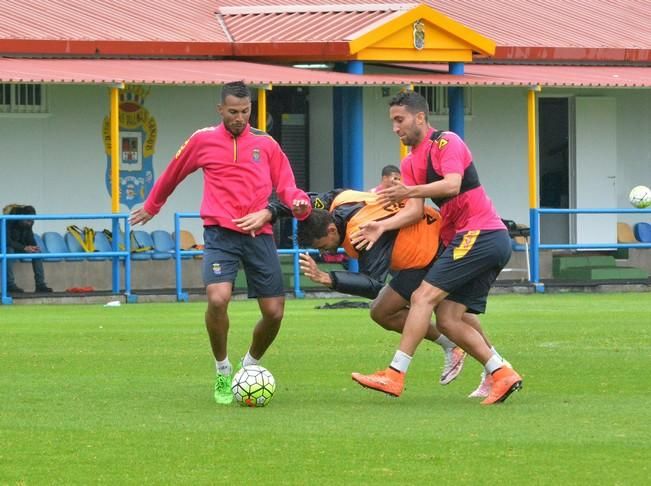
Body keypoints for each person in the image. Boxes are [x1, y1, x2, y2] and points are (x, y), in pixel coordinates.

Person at [130, 80, 311, 405]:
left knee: (274, 312)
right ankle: (223, 369)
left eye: (244, 111)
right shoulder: (203, 140)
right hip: (220, 234)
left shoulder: (266, 144)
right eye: (232, 112)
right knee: (217, 299)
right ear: (220, 110)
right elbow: (173, 173)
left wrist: (298, 203)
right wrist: (152, 206)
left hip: (259, 234)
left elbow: (287, 186)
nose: (239, 117)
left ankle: (249, 365)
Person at [350, 91, 522, 405]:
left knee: (422, 297)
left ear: (419, 117)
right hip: (475, 239)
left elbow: (452, 183)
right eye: (392, 121)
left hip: (480, 233)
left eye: (399, 120)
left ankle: (395, 373)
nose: (395, 127)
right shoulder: (410, 160)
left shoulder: (446, 142)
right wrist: (382, 225)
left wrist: (409, 189)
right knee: (449, 318)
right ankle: (501, 372)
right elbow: (414, 210)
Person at [294, 189, 468, 386]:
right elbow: (320, 198)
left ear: (332, 230)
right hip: (426, 248)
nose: (321, 251)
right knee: (386, 311)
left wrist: (328, 278)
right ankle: (484, 363)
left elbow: (373, 283)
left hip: (433, 251)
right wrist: (288, 208)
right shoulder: (341, 201)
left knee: (449, 317)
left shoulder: (361, 233)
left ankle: (489, 364)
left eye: (321, 245)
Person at [4, 204, 52, 294]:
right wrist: (24, 248)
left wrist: (33, 247)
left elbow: (30, 238)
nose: (30, 223)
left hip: (18, 247)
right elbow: (6, 241)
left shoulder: (28, 222)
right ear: (21, 217)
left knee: (37, 252)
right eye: (28, 220)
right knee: (8, 251)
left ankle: (40, 285)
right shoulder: (6, 221)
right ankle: (10, 285)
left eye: (32, 220)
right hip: (5, 248)